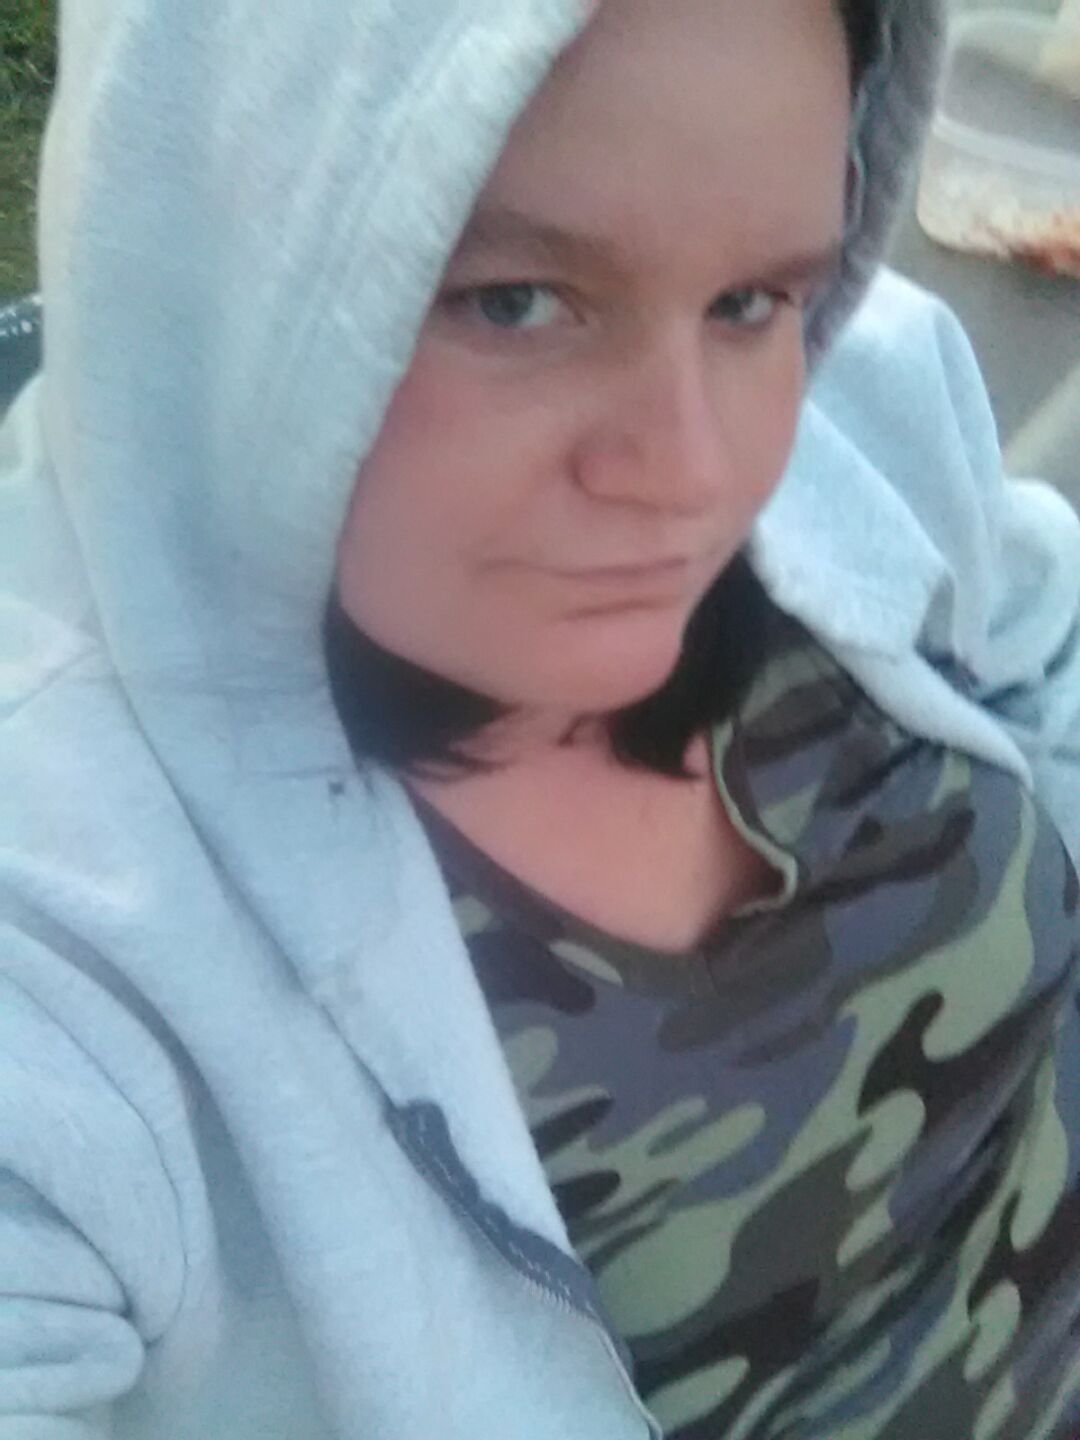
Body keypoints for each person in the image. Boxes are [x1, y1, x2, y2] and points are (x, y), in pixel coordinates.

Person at [2, 0, 1079, 1435]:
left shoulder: (858, 392)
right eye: (514, 302)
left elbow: (1037, 626)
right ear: (220, 246)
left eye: (753, 300)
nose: (692, 469)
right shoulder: (59, 935)